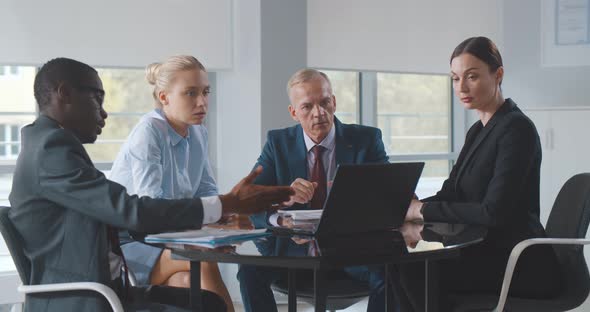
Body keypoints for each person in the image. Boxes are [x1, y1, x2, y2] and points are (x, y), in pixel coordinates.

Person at [8, 57, 293, 312]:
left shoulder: (50, 145)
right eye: (97, 99)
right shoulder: (51, 150)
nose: (105, 113)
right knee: (202, 272)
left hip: (114, 277)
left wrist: (222, 219)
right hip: (85, 293)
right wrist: (227, 204)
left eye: (205, 92)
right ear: (65, 94)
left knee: (200, 295)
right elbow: (133, 211)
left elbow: (121, 210)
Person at [399, 36, 563, 311]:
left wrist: (422, 211)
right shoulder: (477, 131)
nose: (461, 87)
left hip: (516, 262)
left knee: (414, 271)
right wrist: (407, 205)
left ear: (498, 75)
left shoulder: (516, 129)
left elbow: (493, 212)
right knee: (400, 266)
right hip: (480, 249)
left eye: (471, 77)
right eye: (455, 78)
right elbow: (452, 193)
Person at [237, 69, 397, 312]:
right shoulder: (278, 142)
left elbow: (388, 194)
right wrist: (283, 202)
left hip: (352, 249)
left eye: (324, 102)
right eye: (307, 107)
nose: (319, 113)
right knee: (249, 271)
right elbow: (250, 198)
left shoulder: (367, 139)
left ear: (333, 101)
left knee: (391, 273)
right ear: (294, 112)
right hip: (292, 250)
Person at [109, 55, 238, 311]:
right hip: (130, 243)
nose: (202, 102)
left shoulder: (198, 131)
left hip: (167, 238)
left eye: (205, 92)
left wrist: (226, 217)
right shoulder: (149, 133)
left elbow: (205, 190)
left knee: (185, 280)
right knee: (204, 259)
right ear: (164, 97)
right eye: (190, 93)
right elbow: (152, 208)